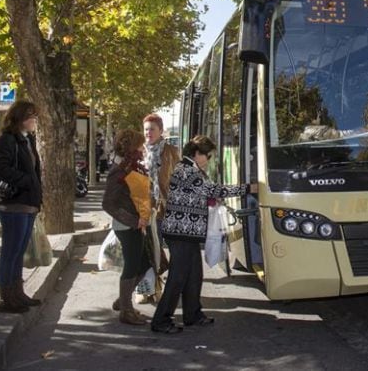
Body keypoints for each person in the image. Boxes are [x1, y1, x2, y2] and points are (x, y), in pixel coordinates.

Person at [151, 135, 255, 334]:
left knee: (194, 275)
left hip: (186, 232)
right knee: (178, 277)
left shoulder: (189, 169)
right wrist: (248, 188)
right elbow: (214, 190)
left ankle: (193, 315)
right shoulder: (187, 170)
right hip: (180, 232)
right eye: (207, 155)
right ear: (198, 154)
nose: (209, 159)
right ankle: (161, 320)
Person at [0, 101, 43, 314]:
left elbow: (34, 170)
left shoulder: (27, 140)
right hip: (13, 204)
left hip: (28, 204)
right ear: (21, 118)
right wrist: (26, 181)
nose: (35, 120)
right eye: (32, 116)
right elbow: (0, 168)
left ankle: (18, 293)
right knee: (10, 252)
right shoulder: (8, 140)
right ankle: (6, 299)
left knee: (19, 251)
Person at [101, 129, 151, 325]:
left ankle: (122, 301)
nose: (142, 148)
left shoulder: (131, 166)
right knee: (132, 266)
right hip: (127, 226)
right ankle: (126, 310)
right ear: (131, 147)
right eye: (139, 145)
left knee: (144, 263)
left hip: (135, 223)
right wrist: (133, 220)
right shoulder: (119, 170)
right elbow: (108, 203)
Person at [137, 113, 180, 304]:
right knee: (147, 251)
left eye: (152, 129)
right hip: (145, 208)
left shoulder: (171, 151)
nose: (148, 133)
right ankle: (147, 289)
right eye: (146, 129)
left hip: (167, 207)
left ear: (161, 131)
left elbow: (180, 178)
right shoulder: (139, 152)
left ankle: (169, 288)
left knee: (173, 250)